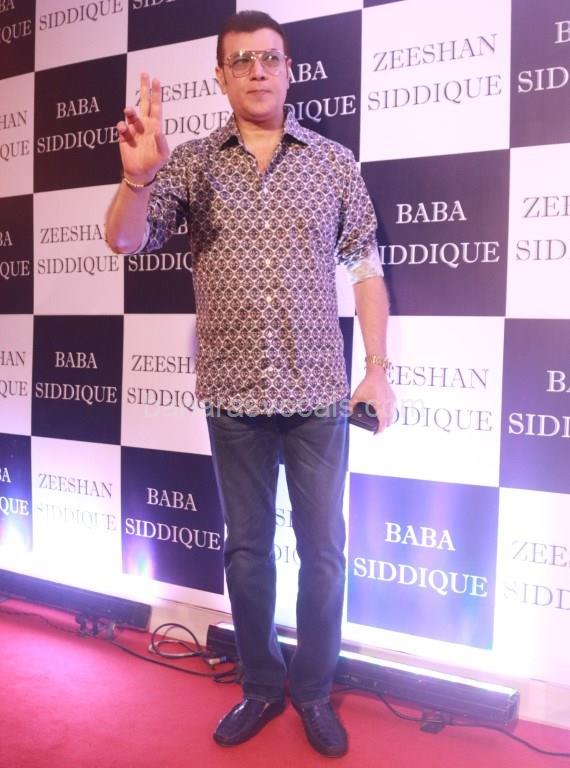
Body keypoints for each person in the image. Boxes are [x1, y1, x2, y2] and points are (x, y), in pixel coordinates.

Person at [106, 10, 395, 758]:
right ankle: (263, 686)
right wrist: (136, 178)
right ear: (221, 76)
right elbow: (126, 238)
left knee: (324, 552)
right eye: (241, 61)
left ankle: (314, 691)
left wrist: (377, 370)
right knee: (246, 551)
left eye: (269, 58)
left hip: (318, 395)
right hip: (232, 395)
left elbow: (366, 270)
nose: (257, 71)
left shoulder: (333, 162)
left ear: (289, 69)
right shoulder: (194, 164)